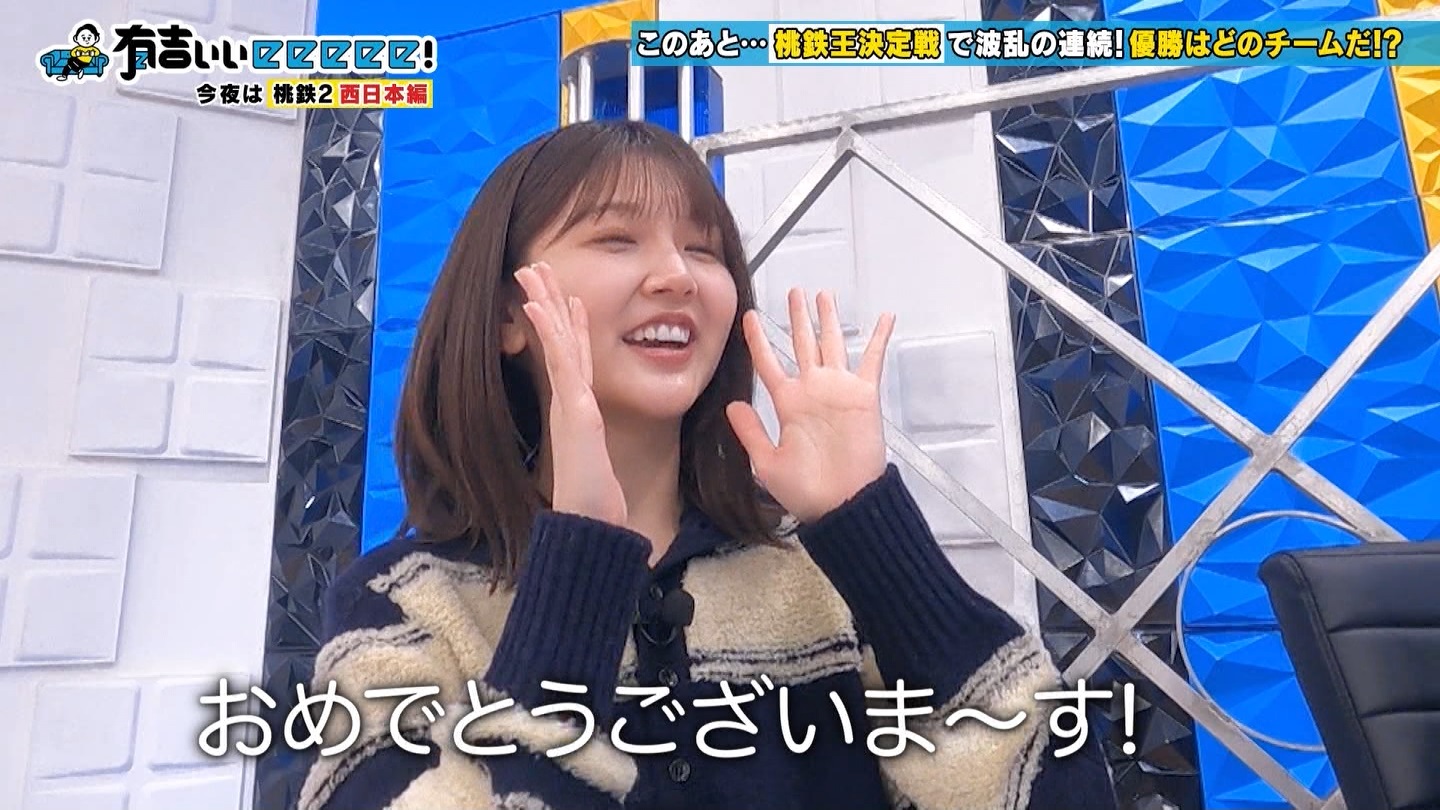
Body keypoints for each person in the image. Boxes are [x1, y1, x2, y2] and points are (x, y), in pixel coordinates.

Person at [297, 119, 1119, 810]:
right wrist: (577, 567)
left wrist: (875, 539)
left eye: (704, 248)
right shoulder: (404, 605)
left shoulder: (821, 581)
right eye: (617, 238)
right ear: (511, 315)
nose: (677, 276)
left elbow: (1053, 788)